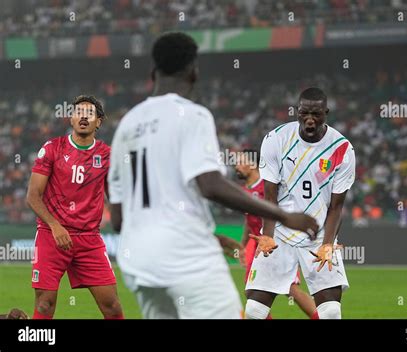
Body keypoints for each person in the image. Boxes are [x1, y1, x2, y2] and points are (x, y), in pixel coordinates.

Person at [108, 32, 318, 319]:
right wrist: (283, 216)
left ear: (152, 72)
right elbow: (209, 184)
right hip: (185, 255)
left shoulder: (126, 126)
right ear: (193, 72)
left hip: (137, 260)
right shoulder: (193, 116)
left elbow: (118, 220)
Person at [245, 87, 356, 320]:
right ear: (297, 111)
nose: (310, 119)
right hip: (281, 234)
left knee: (331, 313)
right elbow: (270, 197)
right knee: (254, 311)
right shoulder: (276, 139)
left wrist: (327, 243)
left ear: (326, 113)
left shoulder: (342, 149)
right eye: (304, 113)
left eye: (316, 114)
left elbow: (336, 207)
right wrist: (268, 235)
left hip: (318, 234)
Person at [26, 95, 123, 320]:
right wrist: (55, 225)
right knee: (44, 304)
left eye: (90, 113)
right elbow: (33, 196)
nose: (83, 117)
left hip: (89, 239)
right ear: (71, 118)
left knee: (112, 305)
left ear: (98, 122)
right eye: (79, 112)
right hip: (52, 236)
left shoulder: (106, 155)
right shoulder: (52, 149)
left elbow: (115, 195)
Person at [235, 149, 318, 319]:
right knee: (252, 291)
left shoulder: (267, 185)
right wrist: (242, 246)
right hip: (259, 246)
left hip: (276, 243)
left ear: (252, 164)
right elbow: (248, 220)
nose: (236, 166)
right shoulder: (245, 191)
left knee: (290, 289)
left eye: (240, 162)